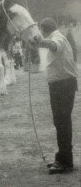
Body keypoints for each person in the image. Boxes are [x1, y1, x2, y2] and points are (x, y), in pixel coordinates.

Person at [31, 18, 78, 174]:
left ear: (44, 30)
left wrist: (39, 41)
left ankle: (63, 161)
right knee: (61, 123)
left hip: (62, 86)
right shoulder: (58, 36)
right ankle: (64, 159)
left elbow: (53, 45)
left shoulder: (57, 37)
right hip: (62, 85)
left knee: (62, 123)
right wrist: (40, 43)